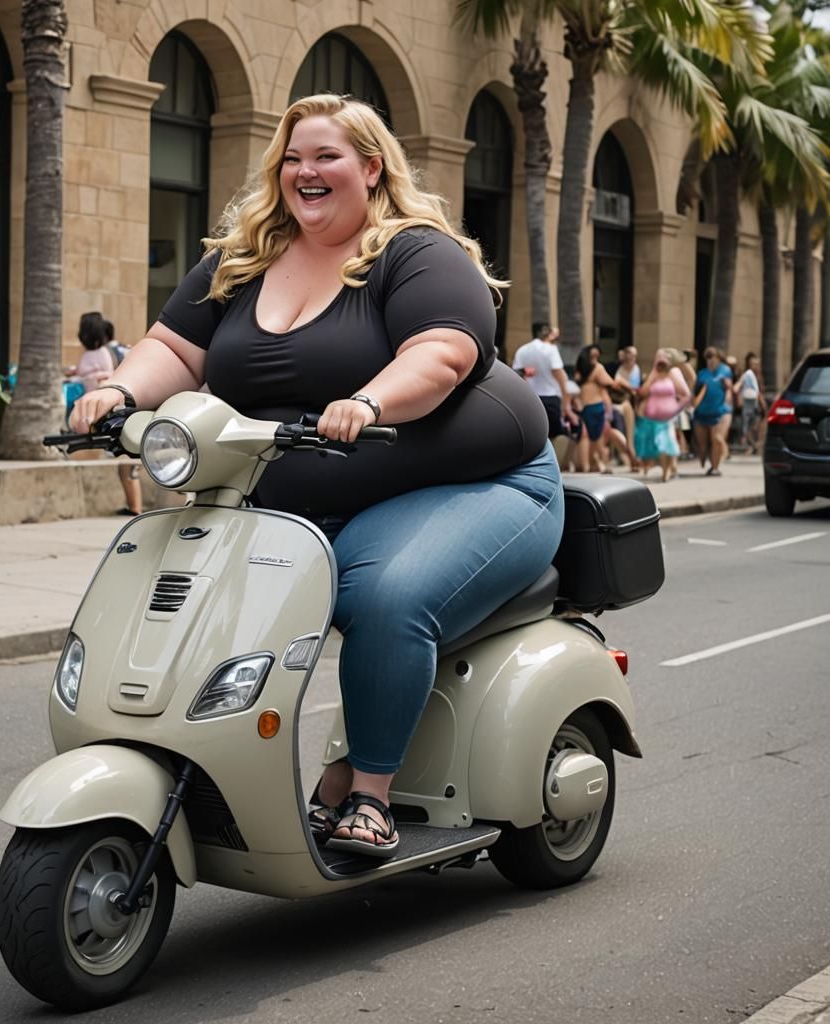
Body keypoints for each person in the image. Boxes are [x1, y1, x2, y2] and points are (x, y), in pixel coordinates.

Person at [71, 93, 564, 859]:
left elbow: (442, 354)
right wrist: (118, 392)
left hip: (486, 484)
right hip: (320, 491)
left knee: (385, 597)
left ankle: (368, 796)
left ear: (370, 167)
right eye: (294, 157)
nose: (307, 171)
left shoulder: (415, 251)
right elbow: (176, 348)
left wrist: (368, 401)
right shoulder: (245, 257)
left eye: (327, 156)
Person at [73, 311, 143, 517]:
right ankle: (133, 507)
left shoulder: (105, 353)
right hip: (115, 412)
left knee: (126, 463)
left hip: (118, 413)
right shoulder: (110, 351)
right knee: (125, 463)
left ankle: (135, 508)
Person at [635, 349, 690, 482]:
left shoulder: (673, 374)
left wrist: (676, 409)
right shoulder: (654, 375)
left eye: (664, 360)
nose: (661, 364)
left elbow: (686, 394)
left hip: (668, 418)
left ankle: (667, 472)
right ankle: (666, 469)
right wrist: (653, 374)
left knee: (667, 443)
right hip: (652, 418)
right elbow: (643, 392)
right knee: (657, 445)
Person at [573, 344, 630, 473]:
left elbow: (607, 383)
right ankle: (597, 463)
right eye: (594, 356)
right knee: (594, 437)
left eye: (597, 356)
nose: (596, 359)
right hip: (591, 407)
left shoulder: (587, 370)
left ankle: (595, 463)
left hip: (589, 407)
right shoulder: (592, 369)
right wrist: (623, 384)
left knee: (592, 437)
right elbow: (611, 383)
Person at [512, 323, 573, 439]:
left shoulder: (521, 350)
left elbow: (516, 376)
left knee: (534, 437)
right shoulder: (551, 350)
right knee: (556, 439)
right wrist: (566, 404)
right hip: (551, 400)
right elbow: (560, 376)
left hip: (530, 400)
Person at [692, 345, 733, 476]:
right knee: (703, 446)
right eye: (708, 358)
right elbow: (696, 392)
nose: (710, 360)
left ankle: (715, 467)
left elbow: (728, 387)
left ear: (718, 358)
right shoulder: (702, 374)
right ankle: (705, 457)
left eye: (712, 357)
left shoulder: (725, 370)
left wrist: (728, 394)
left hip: (720, 412)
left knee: (716, 438)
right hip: (701, 413)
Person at [733, 351, 765, 454]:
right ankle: (753, 446)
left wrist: (762, 403)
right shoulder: (747, 375)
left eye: (757, 364)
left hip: (757, 405)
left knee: (755, 426)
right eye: (754, 364)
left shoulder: (758, 377)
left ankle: (754, 445)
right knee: (749, 426)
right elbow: (739, 387)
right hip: (749, 404)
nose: (756, 366)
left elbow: (759, 391)